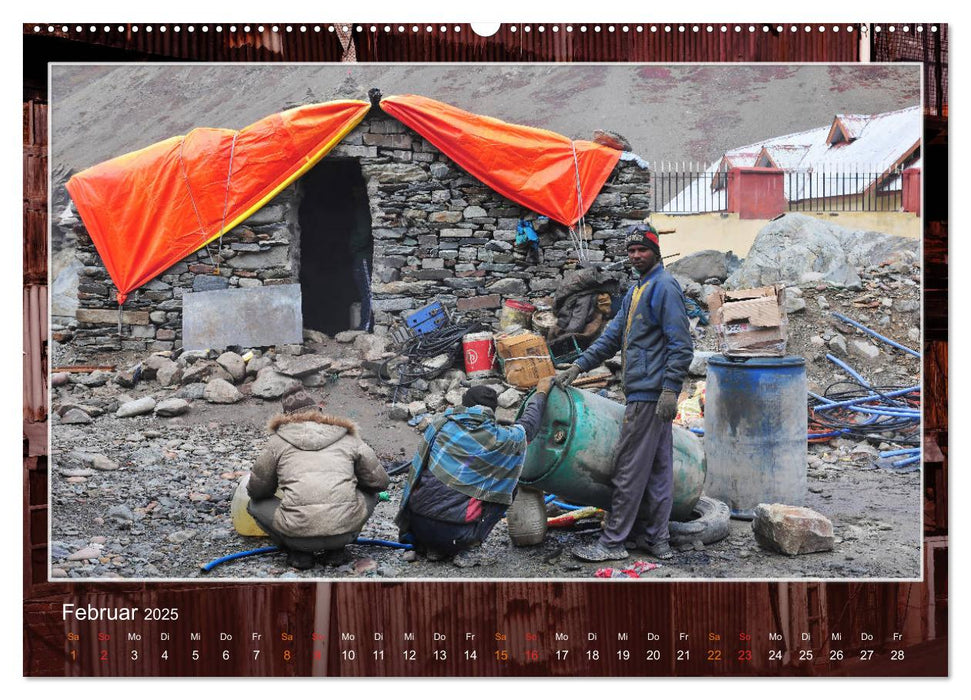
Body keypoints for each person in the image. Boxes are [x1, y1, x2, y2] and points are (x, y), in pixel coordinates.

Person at [557, 223, 693, 562]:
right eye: (631, 251)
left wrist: (669, 391)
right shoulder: (637, 290)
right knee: (659, 472)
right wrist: (579, 366)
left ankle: (613, 542)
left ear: (655, 251)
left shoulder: (664, 287)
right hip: (647, 394)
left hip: (649, 396)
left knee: (628, 468)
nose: (635, 256)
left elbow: (681, 344)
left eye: (642, 250)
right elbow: (610, 337)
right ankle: (656, 540)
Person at [396, 378, 553, 567]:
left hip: (417, 526)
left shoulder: (441, 425)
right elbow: (529, 426)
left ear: (464, 404)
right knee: (506, 487)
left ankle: (434, 548)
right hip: (455, 535)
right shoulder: (501, 439)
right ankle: (468, 549)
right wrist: (541, 393)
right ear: (492, 411)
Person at [247, 390, 389, 570]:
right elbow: (380, 482)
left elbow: (257, 491)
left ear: (285, 417)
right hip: (344, 532)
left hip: (297, 536)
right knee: (372, 494)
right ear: (319, 411)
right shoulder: (348, 437)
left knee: (254, 503)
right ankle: (336, 551)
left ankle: (298, 553)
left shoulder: (276, 443)